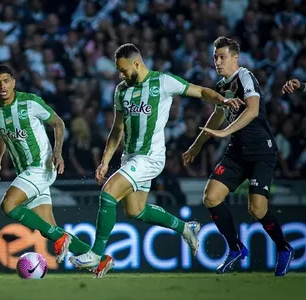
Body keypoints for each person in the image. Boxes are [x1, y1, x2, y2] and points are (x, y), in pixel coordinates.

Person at [69, 43, 244, 275]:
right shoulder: (122, 89)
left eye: (123, 70)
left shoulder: (162, 82)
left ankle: (96, 255)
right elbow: (116, 129)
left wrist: (221, 101)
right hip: (130, 157)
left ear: (137, 64)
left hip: (150, 157)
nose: (120, 75)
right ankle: (185, 228)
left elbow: (200, 91)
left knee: (108, 193)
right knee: (135, 210)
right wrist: (105, 160)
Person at [0, 64, 112, 278]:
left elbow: (58, 123)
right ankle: (99, 260)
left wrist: (58, 152)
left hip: (41, 167)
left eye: (6, 80)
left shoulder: (30, 102)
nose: (2, 85)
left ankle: (64, 240)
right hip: (25, 172)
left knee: (8, 205)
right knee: (49, 229)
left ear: (13, 82)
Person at [182, 37, 293, 276]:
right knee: (211, 197)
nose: (218, 62)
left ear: (235, 58)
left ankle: (283, 248)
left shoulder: (245, 76)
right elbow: (217, 117)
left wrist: (224, 132)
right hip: (237, 151)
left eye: (222, 57)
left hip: (261, 150)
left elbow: (252, 111)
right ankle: (235, 248)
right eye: (215, 57)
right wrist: (196, 146)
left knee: (257, 209)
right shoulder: (222, 86)